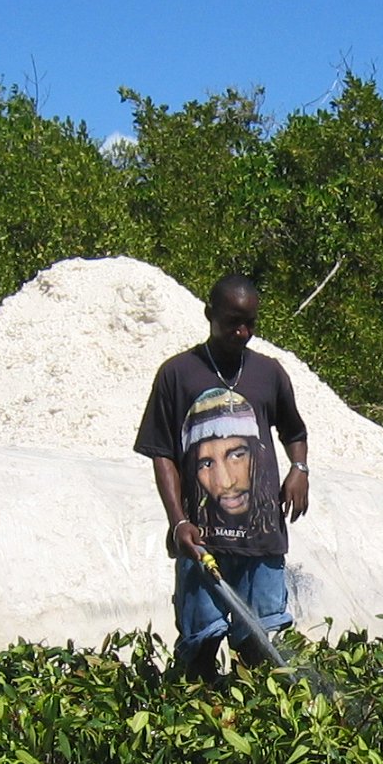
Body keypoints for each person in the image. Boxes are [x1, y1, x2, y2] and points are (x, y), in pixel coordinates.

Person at [134, 274, 310, 679]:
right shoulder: (177, 374)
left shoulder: (269, 373)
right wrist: (178, 520)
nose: (242, 332)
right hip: (204, 542)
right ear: (209, 314)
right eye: (232, 321)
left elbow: (294, 432)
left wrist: (298, 469)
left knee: (262, 650)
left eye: (250, 323)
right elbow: (162, 454)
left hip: (261, 539)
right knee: (200, 646)